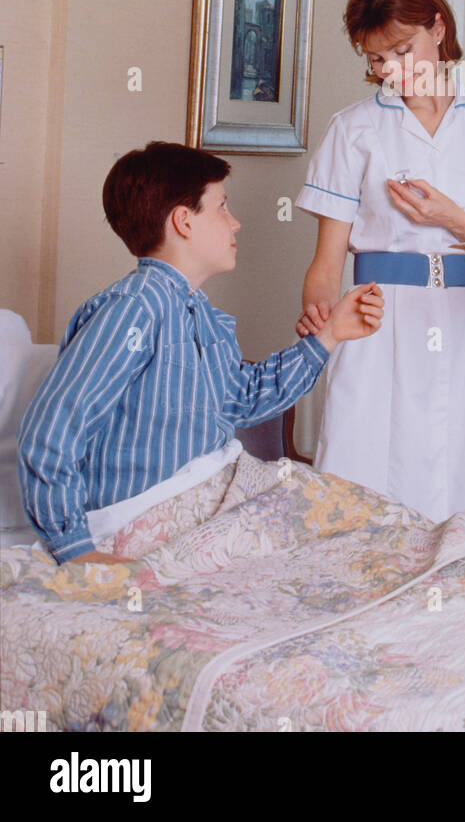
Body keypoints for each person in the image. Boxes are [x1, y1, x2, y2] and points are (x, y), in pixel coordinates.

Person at [17, 141, 383, 565]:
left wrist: (330, 335)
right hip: (147, 516)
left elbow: (243, 400)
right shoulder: (134, 308)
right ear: (183, 222)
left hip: (213, 496)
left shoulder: (203, 315)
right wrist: (74, 549)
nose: (236, 223)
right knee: (352, 547)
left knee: (365, 528)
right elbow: (53, 430)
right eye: (222, 208)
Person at [294, 0, 465, 538]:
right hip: (377, 322)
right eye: (377, 60)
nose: (390, 72)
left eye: (402, 51)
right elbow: (326, 266)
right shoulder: (353, 129)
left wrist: (451, 219)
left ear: (439, 29)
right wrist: (322, 322)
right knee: (367, 485)